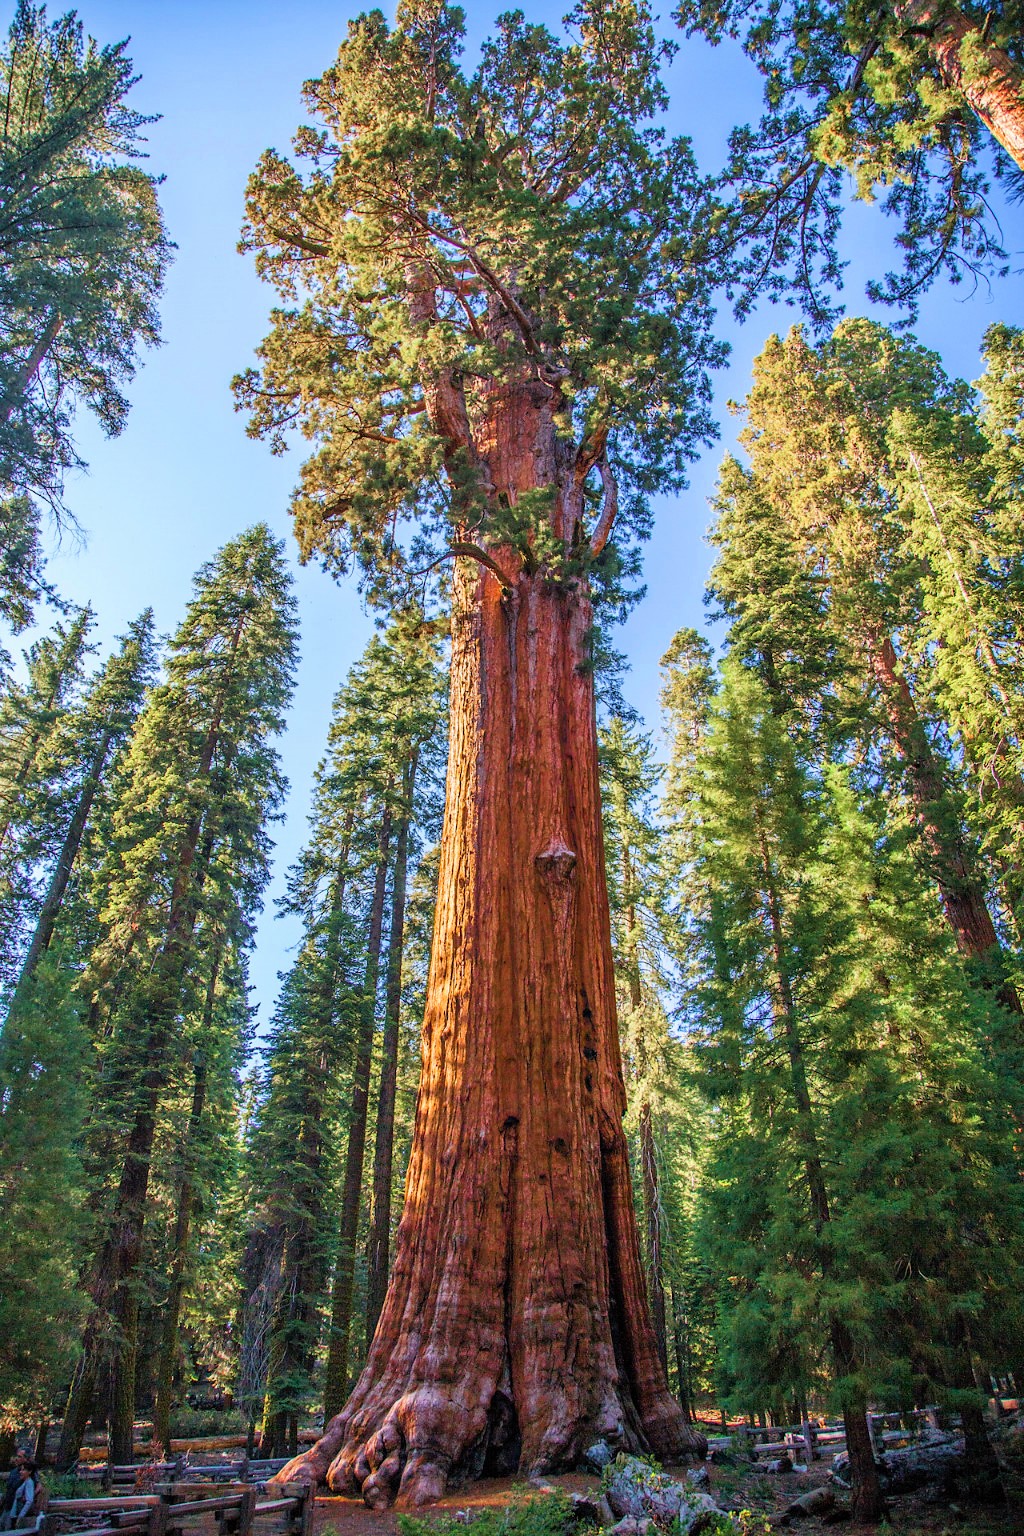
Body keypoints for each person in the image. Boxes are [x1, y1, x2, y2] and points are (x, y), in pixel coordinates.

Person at [0, 1461, 36, 1531]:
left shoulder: (29, 1483)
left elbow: (29, 1500)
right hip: (11, 1509)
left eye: (23, 1470)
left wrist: (20, 1516)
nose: (20, 1472)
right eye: (20, 1470)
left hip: (17, 1513)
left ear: (29, 1472)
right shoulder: (23, 1481)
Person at [1, 1455, 26, 1520]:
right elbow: (8, 1487)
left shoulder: (27, 1474)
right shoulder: (13, 1472)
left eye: (19, 1457)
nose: (16, 1459)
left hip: (16, 1506)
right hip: (7, 1503)